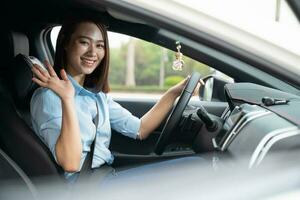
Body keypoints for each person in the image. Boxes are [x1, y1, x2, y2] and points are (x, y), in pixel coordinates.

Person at [30, 16, 195, 183]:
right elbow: (70, 164)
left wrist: (175, 92)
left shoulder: (96, 96)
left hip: (106, 175)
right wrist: (67, 98)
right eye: (84, 42)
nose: (93, 53)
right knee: (194, 169)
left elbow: (140, 129)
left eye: (100, 45)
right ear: (66, 42)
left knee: (193, 166)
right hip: (88, 188)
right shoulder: (49, 97)